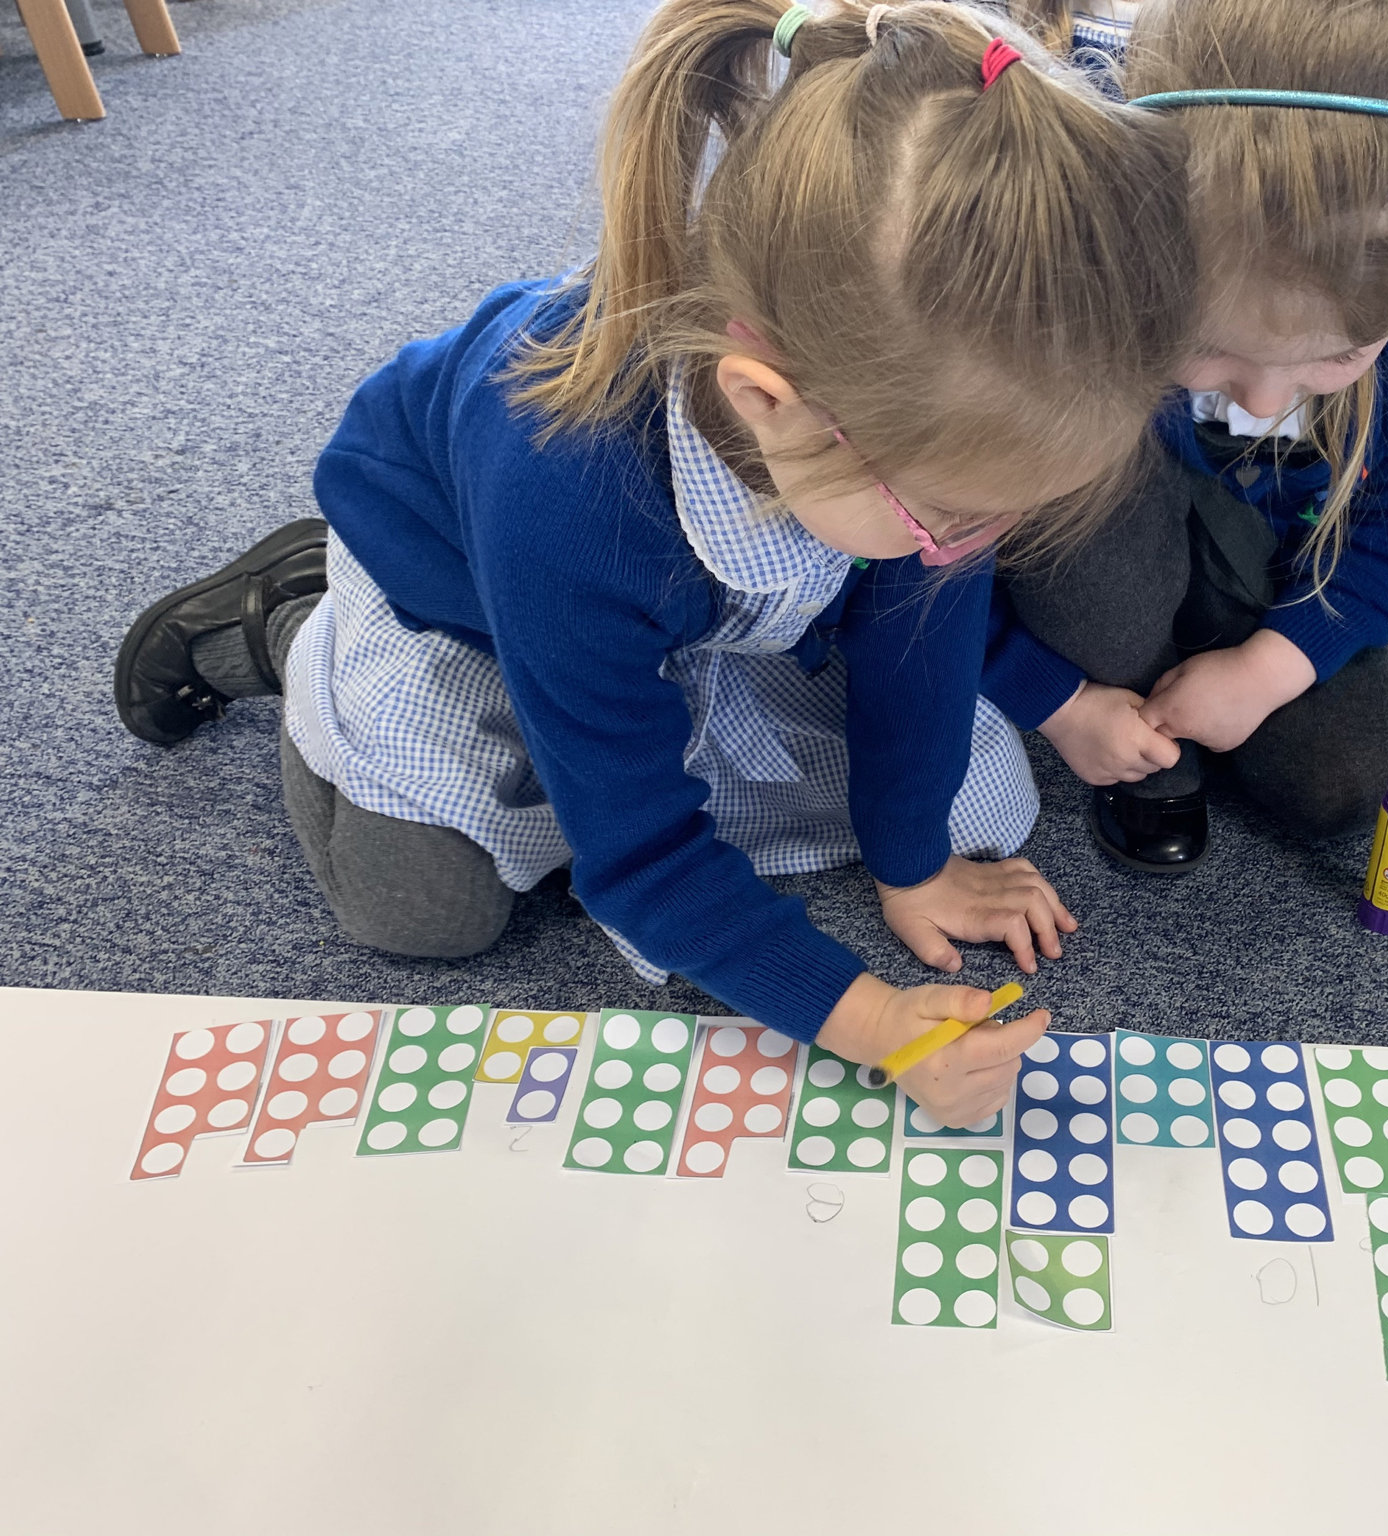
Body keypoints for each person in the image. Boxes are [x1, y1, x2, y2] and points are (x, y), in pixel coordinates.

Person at [112, 0, 1192, 1122]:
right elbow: (635, 856)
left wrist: (908, 861)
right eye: (961, 518)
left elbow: (919, 625)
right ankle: (286, 619)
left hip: (721, 577)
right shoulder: (564, 501)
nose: (980, 550)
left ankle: (765, 639)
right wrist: (869, 1022)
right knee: (423, 908)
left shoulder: (899, 442)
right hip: (457, 588)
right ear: (767, 404)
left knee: (975, 802)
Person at [990, 0, 1388, 873]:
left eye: (1337, 354)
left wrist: (1271, 668)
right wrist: (1061, 702)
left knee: (1342, 790)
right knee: (1097, 586)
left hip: (1270, 557)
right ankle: (1145, 730)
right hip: (1099, 528)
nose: (1263, 400)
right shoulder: (1075, 264)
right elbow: (945, 538)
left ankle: (1187, 668)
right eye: (1213, 345)